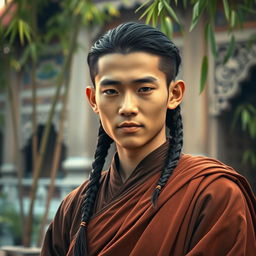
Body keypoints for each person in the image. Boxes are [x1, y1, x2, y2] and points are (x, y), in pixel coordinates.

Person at [41, 22, 256, 256]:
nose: (127, 107)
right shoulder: (74, 208)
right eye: (111, 91)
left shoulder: (214, 194)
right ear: (93, 100)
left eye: (144, 89)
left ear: (174, 94)